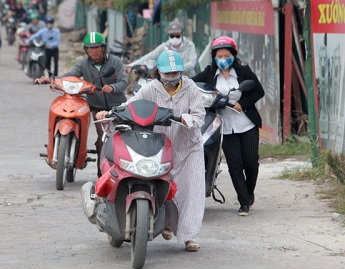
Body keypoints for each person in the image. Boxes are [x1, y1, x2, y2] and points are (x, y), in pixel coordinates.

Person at [96, 50, 205, 251]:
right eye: (168, 74)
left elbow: (199, 116)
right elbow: (130, 105)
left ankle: (190, 236)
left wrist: (183, 119)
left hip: (189, 147)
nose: (172, 78)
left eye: (175, 74)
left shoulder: (190, 88)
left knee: (190, 191)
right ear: (158, 72)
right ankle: (166, 224)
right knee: (164, 185)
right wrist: (110, 113)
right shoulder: (151, 89)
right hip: (162, 145)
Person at [35, 32, 128, 178]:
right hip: (97, 107)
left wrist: (113, 87)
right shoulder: (83, 64)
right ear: (86, 50)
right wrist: (50, 80)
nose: (94, 51)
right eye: (90, 48)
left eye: (97, 47)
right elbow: (70, 75)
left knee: (122, 137)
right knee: (103, 138)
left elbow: (124, 81)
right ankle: (102, 174)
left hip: (118, 107)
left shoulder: (115, 62)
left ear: (103, 48)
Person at [192, 36, 265, 216]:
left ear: (234, 55)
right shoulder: (209, 73)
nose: (223, 59)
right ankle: (244, 201)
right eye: (219, 56)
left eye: (227, 55)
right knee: (234, 164)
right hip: (225, 125)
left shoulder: (244, 72)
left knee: (251, 163)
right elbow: (191, 84)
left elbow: (258, 90)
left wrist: (244, 103)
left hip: (246, 123)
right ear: (214, 57)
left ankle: (249, 193)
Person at [125, 20, 197, 78]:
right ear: (168, 35)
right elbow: (150, 56)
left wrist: (174, 68)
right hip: (169, 81)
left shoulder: (190, 45)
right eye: (172, 36)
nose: (174, 38)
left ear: (182, 34)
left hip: (188, 79)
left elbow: (192, 63)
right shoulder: (164, 47)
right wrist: (132, 65)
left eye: (177, 36)